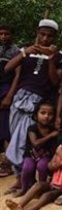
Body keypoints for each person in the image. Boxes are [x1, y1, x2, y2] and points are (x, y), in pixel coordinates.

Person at [4, 19, 62, 187]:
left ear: (54, 38)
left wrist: (51, 59)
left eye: (49, 36)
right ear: (37, 34)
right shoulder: (25, 51)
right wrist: (24, 53)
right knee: (14, 136)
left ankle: (25, 178)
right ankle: (21, 175)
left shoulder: (60, 57)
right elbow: (7, 68)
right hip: (19, 98)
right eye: (42, 34)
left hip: (38, 102)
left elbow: (55, 81)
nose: (45, 38)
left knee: (25, 138)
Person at [19, 100, 59, 195]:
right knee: (27, 167)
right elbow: (35, 143)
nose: (46, 116)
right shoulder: (32, 128)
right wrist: (50, 136)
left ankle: (40, 189)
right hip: (30, 154)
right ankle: (24, 188)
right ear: (36, 115)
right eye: (43, 113)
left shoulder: (53, 130)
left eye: (50, 114)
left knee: (42, 167)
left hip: (45, 155)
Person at [0, 24, 20, 172]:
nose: (3, 37)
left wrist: (9, 95)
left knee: (6, 125)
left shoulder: (16, 51)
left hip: (7, 88)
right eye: (1, 34)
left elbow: (18, 75)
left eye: (6, 34)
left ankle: (7, 162)